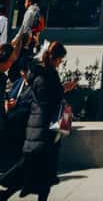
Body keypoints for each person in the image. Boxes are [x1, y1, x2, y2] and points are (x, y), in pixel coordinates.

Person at [0, 41, 77, 201]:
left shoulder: (38, 74)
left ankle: (5, 194)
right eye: (60, 60)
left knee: (33, 174)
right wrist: (63, 90)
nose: (60, 63)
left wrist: (61, 90)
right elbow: (47, 100)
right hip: (43, 132)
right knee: (39, 176)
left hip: (37, 130)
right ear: (56, 59)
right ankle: (4, 194)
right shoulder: (47, 75)